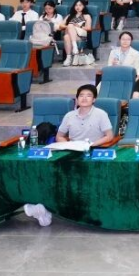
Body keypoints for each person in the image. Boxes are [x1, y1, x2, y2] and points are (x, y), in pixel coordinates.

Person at [25, 84, 114, 227]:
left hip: (92, 152)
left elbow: (109, 136)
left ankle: (51, 209)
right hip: (72, 151)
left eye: (88, 95)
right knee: (50, 171)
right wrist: (68, 144)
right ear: (76, 99)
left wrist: (92, 145)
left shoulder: (101, 114)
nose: (84, 98)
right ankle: (42, 206)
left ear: (94, 99)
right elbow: (59, 136)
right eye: (81, 95)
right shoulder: (69, 116)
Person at [61, 0, 93, 66]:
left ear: (84, 6)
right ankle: (69, 56)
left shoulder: (86, 16)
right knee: (67, 35)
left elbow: (89, 28)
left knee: (67, 33)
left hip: (80, 36)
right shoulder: (70, 15)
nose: (78, 7)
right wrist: (69, 27)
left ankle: (69, 57)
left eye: (80, 5)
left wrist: (79, 26)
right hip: (70, 35)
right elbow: (61, 25)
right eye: (76, 5)